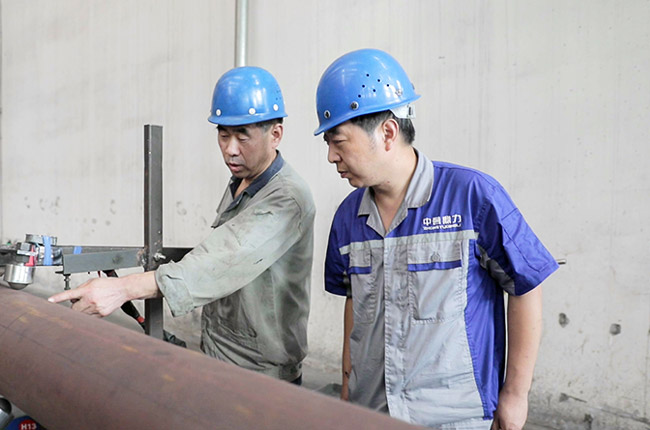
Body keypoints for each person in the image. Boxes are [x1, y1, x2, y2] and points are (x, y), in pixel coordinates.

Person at [315, 49, 558, 429]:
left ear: (387, 132)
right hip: (372, 413)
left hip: (454, 418)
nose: (331, 156)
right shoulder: (348, 218)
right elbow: (354, 304)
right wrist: (348, 389)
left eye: (339, 141)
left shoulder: (472, 197)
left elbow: (526, 285)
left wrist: (515, 395)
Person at [50, 66, 315, 385]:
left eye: (242, 135)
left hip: (261, 373)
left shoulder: (287, 198)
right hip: (221, 351)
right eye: (223, 135)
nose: (230, 149)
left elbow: (221, 259)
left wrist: (121, 289)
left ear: (275, 134)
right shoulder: (243, 182)